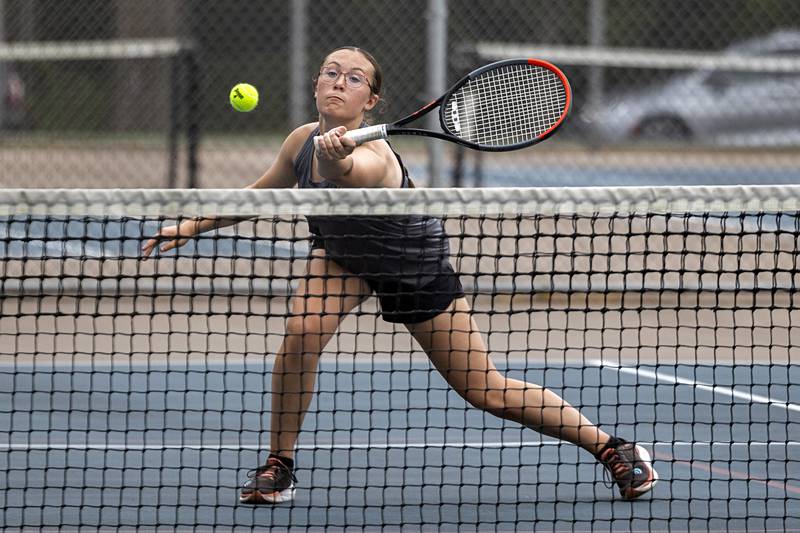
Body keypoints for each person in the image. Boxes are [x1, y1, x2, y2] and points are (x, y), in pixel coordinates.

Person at [142, 46, 658, 504]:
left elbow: (350, 175)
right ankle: (280, 464)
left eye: (355, 77)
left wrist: (338, 161)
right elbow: (262, 193)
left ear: (371, 101)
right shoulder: (301, 141)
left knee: (485, 390)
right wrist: (193, 225)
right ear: (317, 85)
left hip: (411, 266)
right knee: (302, 334)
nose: (339, 81)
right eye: (330, 72)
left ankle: (611, 447)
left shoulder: (373, 157)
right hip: (342, 257)